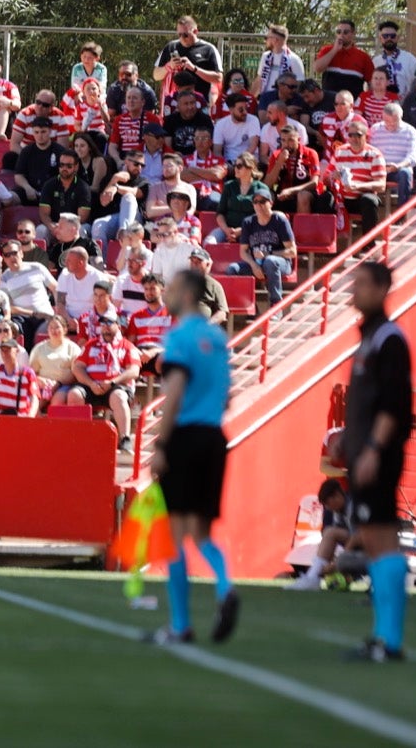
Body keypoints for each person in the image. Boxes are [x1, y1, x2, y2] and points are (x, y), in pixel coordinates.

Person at [148, 268, 240, 646]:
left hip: (185, 436)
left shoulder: (180, 336)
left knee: (174, 535)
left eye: (171, 288)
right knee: (201, 532)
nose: (165, 293)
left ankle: (181, 625)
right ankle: (224, 586)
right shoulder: (217, 338)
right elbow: (228, 395)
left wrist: (162, 445)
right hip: (214, 436)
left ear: (186, 294)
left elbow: (175, 391)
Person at [337, 262, 415, 661]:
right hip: (364, 453)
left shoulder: (389, 339)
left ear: (383, 288)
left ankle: (390, 640)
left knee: (382, 542)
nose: (355, 291)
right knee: (372, 540)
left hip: (377, 456)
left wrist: (371, 449)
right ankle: (385, 637)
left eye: (362, 284)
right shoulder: (370, 337)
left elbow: (393, 404)